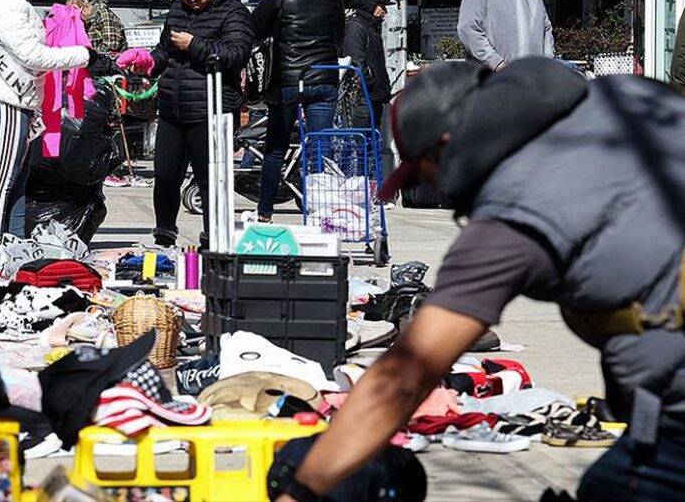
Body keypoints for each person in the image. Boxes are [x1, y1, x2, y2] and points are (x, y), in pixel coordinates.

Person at [271, 58, 685, 502]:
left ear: (446, 146)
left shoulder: (515, 217)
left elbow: (404, 377)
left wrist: (301, 489)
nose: (435, 191)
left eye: (422, 174)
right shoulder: (628, 98)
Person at [0, 0, 99, 269]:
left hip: (19, 100)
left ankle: (16, 244)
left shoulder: (9, 1)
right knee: (4, 179)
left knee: (19, 179)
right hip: (8, 100)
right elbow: (33, 56)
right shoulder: (4, 5)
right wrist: (84, 55)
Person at [121, 0, 253, 248]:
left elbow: (236, 54)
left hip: (210, 108)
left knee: (209, 179)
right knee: (166, 177)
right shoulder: (177, 11)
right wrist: (147, 62)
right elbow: (163, 51)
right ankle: (164, 236)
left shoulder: (234, 12)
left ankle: (212, 239)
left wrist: (194, 45)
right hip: (172, 107)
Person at [251, 0, 345, 223]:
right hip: (325, 78)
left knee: (276, 148)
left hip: (289, 81)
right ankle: (319, 213)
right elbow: (339, 36)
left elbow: (254, 28)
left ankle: (265, 211)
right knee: (320, 149)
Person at [340, 0, 393, 129]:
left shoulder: (370, 28)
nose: (385, 11)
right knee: (363, 145)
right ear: (370, 5)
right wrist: (370, 85)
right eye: (381, 6)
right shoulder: (356, 28)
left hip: (373, 98)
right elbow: (356, 63)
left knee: (372, 145)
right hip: (363, 99)